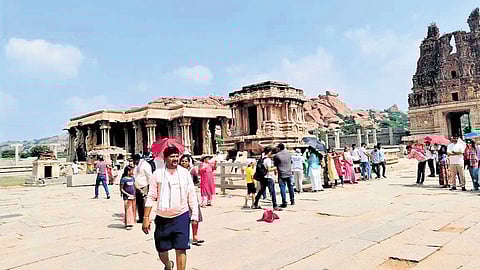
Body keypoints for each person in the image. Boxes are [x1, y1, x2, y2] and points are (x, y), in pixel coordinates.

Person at [142, 146, 199, 270]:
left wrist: (195, 214)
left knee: (181, 248)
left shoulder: (185, 173)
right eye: (172, 156)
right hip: (163, 218)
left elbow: (191, 194)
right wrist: (146, 217)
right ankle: (168, 264)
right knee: (161, 249)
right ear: (165, 158)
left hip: (181, 216)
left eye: (176, 156)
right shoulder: (157, 174)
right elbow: (151, 196)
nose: (175, 159)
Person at [179, 154, 204, 246]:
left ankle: (195, 236)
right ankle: (183, 237)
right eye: (182, 161)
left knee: (195, 216)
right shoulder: (177, 171)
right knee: (183, 218)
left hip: (192, 195)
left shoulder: (192, 171)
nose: (184, 162)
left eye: (186, 161)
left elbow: (196, 181)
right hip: (181, 196)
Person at [253, 147, 281, 211]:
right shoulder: (268, 160)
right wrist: (275, 168)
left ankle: (255, 203)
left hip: (263, 177)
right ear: (269, 152)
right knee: (272, 191)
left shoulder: (262, 158)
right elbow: (268, 169)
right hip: (268, 177)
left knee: (261, 190)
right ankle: (275, 206)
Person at [133, 154, 153, 223]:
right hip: (137, 186)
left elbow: (150, 176)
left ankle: (146, 217)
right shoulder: (137, 166)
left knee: (144, 202)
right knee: (139, 203)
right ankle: (141, 217)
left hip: (143, 186)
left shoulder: (145, 165)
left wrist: (150, 187)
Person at [273, 143, 294, 207]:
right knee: (290, 187)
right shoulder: (289, 154)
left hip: (281, 173)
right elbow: (291, 162)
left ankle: (284, 201)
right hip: (289, 173)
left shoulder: (277, 155)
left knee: (282, 188)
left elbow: (275, 164)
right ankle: (292, 200)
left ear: (279, 148)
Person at [119, 165, 136, 230]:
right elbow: (122, 189)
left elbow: (134, 186)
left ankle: (131, 221)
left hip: (133, 196)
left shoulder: (132, 178)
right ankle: (128, 223)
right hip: (127, 197)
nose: (133, 172)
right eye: (132, 170)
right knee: (128, 210)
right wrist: (127, 194)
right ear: (128, 171)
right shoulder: (124, 179)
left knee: (132, 210)